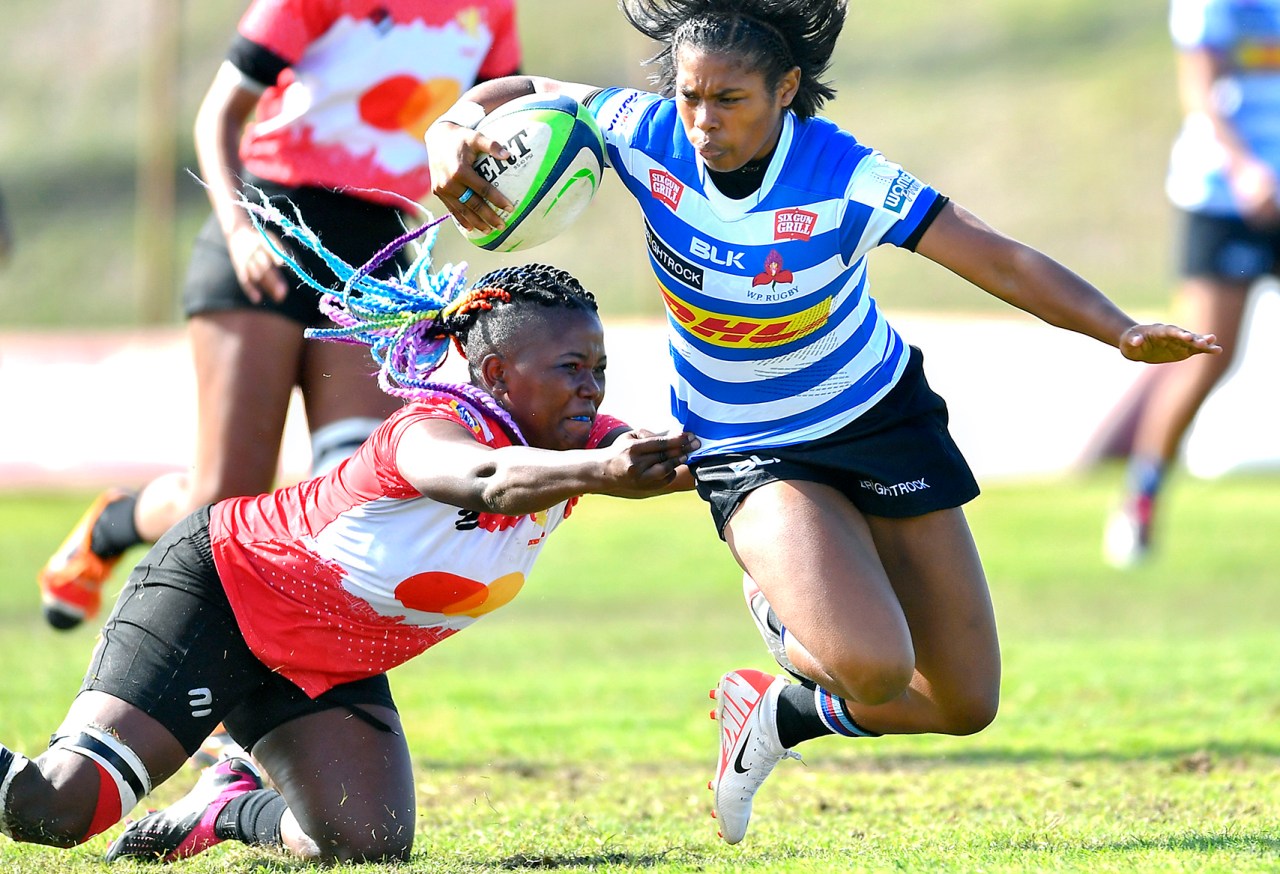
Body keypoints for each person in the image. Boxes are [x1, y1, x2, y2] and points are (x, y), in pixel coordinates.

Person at [423, 0, 1224, 845]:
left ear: (786, 89)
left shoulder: (846, 176)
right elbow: (528, 89)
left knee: (963, 701)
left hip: (878, 418)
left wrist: (1120, 330)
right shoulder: (642, 131)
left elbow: (1000, 258)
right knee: (873, 667)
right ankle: (786, 605)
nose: (702, 121)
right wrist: (451, 128)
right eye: (690, 96)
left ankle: (777, 715)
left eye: (729, 100)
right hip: (749, 443)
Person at [0, 216, 699, 863]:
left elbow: (679, 459)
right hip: (221, 594)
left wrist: (727, 458)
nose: (591, 389)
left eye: (599, 369)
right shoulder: (427, 429)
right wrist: (603, 472)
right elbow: (488, 479)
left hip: (329, 657)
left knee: (369, 845)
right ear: (495, 375)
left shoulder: (581, 443)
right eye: (571, 368)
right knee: (54, 810)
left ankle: (225, 805)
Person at [36, 0, 523, 631]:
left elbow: (506, 113)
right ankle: (113, 526)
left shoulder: (491, 9)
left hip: (376, 260)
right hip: (267, 235)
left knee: (351, 496)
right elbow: (218, 115)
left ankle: (283, 677)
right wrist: (239, 230)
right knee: (221, 501)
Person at [1104, 0, 1280, 567]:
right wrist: (1244, 168)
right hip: (1227, 197)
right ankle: (1142, 498)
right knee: (1203, 356)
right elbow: (1200, 91)